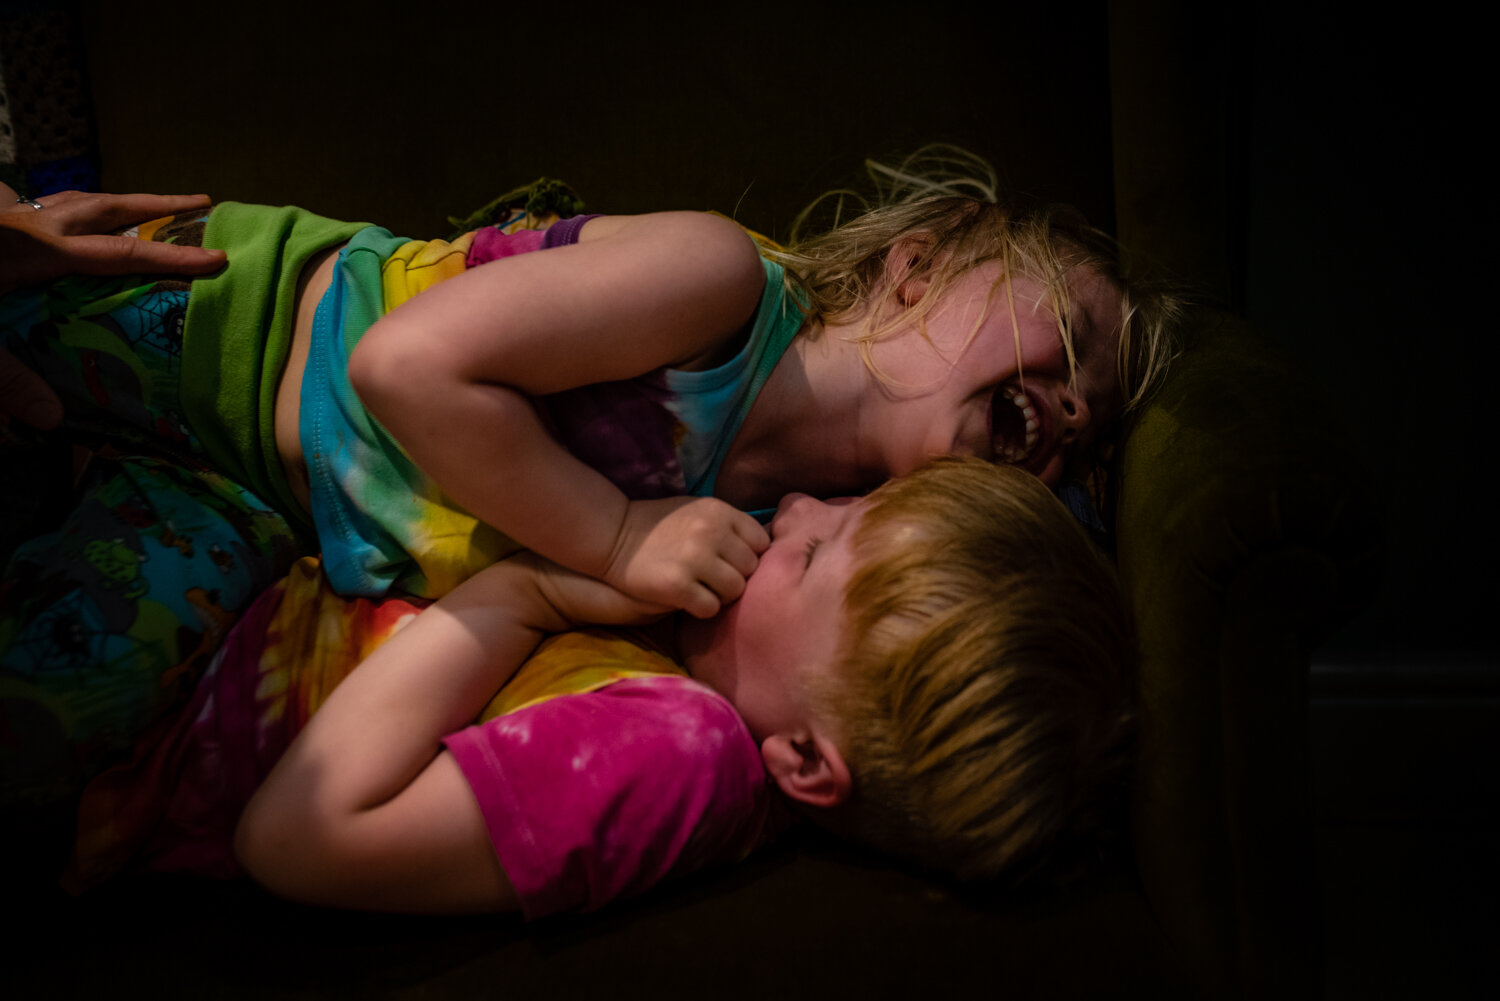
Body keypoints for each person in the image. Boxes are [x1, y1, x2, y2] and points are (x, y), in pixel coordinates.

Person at [1, 150, 1175, 809]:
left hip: (254, 511)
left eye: (1094, 421)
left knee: (53, 727)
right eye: (1069, 346)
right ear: (918, 268)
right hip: (218, 332)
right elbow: (404, 366)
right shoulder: (717, 289)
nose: (1072, 408)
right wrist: (613, 538)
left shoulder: (778, 546)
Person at [64, 458, 1136, 918]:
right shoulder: (699, 642)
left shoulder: (683, 755)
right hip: (218, 569)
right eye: (844, 501)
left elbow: (297, 838)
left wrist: (526, 593)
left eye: (813, 555)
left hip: (146, 712)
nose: (798, 504)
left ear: (807, 760)